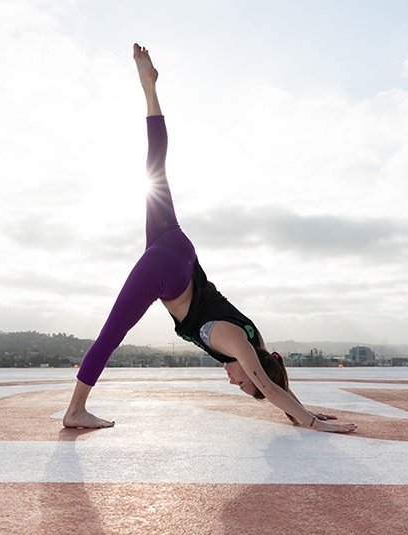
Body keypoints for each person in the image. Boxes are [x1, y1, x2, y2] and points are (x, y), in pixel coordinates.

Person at [62, 44, 357, 434]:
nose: (236, 382)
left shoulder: (250, 339)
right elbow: (269, 385)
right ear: (254, 368)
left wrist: (303, 410)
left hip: (174, 246)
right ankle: (75, 411)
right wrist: (311, 422)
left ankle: (149, 88)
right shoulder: (238, 342)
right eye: (243, 382)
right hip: (168, 271)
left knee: (156, 167)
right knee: (111, 334)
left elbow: (272, 378)